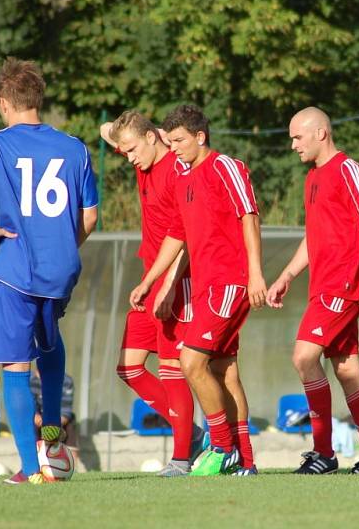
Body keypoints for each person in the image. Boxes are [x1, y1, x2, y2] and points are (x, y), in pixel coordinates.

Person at [0, 57, 98, 485]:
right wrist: (62, 245)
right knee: (49, 342)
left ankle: (30, 466)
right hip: (60, 271)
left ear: (3, 101)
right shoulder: (75, 146)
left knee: (16, 366)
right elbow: (90, 217)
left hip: (14, 271)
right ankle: (54, 433)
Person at [129, 104, 266, 476]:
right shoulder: (185, 178)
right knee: (225, 372)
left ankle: (221, 447)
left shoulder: (225, 167)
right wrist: (150, 281)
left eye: (178, 141)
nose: (172, 148)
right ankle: (246, 462)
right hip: (206, 287)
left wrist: (255, 274)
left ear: (200, 137)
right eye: (168, 141)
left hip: (229, 283)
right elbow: (177, 235)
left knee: (190, 362)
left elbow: (249, 216)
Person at [267, 107, 359, 475]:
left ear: (321, 133)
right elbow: (314, 236)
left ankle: (324, 453)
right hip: (322, 286)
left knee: (303, 358)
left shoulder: (349, 170)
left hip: (343, 285)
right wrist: (287, 274)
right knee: (348, 370)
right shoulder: (312, 179)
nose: (293, 145)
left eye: (297, 136)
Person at [100, 111, 204, 477]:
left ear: (149, 138)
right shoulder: (141, 155)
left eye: (130, 149)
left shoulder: (177, 171)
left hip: (176, 279)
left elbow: (188, 236)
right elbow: (106, 131)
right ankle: (191, 433)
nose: (126, 157)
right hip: (150, 277)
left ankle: (181, 457)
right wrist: (127, 136)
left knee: (172, 369)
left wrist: (172, 286)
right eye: (122, 149)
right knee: (128, 366)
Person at [30, 370, 78, 457]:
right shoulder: (29, 380)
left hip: (58, 417)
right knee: (30, 422)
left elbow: (66, 410)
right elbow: (29, 405)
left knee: (71, 420)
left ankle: (72, 463)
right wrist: (36, 417)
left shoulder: (67, 381)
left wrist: (53, 424)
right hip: (38, 417)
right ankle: (33, 461)